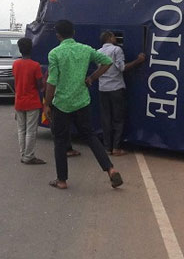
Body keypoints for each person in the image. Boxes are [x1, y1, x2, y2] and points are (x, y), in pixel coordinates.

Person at [43, 20, 123, 190]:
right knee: (90, 136)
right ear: (73, 32)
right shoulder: (85, 49)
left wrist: (46, 104)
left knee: (60, 141)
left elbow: (52, 81)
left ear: (58, 35)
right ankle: (110, 169)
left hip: (61, 104)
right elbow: (107, 62)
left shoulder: (55, 53)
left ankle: (62, 180)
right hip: (81, 101)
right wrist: (92, 77)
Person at [97, 31, 145, 156]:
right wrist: (138, 61)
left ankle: (107, 147)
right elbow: (122, 68)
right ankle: (116, 147)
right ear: (109, 38)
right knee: (118, 119)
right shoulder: (116, 50)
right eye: (114, 36)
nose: (115, 38)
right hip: (116, 88)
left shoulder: (98, 52)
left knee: (106, 119)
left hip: (103, 88)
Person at [12, 37, 46, 165]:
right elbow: (39, 85)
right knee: (31, 130)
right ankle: (29, 156)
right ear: (31, 49)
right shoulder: (35, 65)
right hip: (32, 102)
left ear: (20, 50)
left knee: (21, 130)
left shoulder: (15, 64)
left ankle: (23, 154)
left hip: (19, 101)